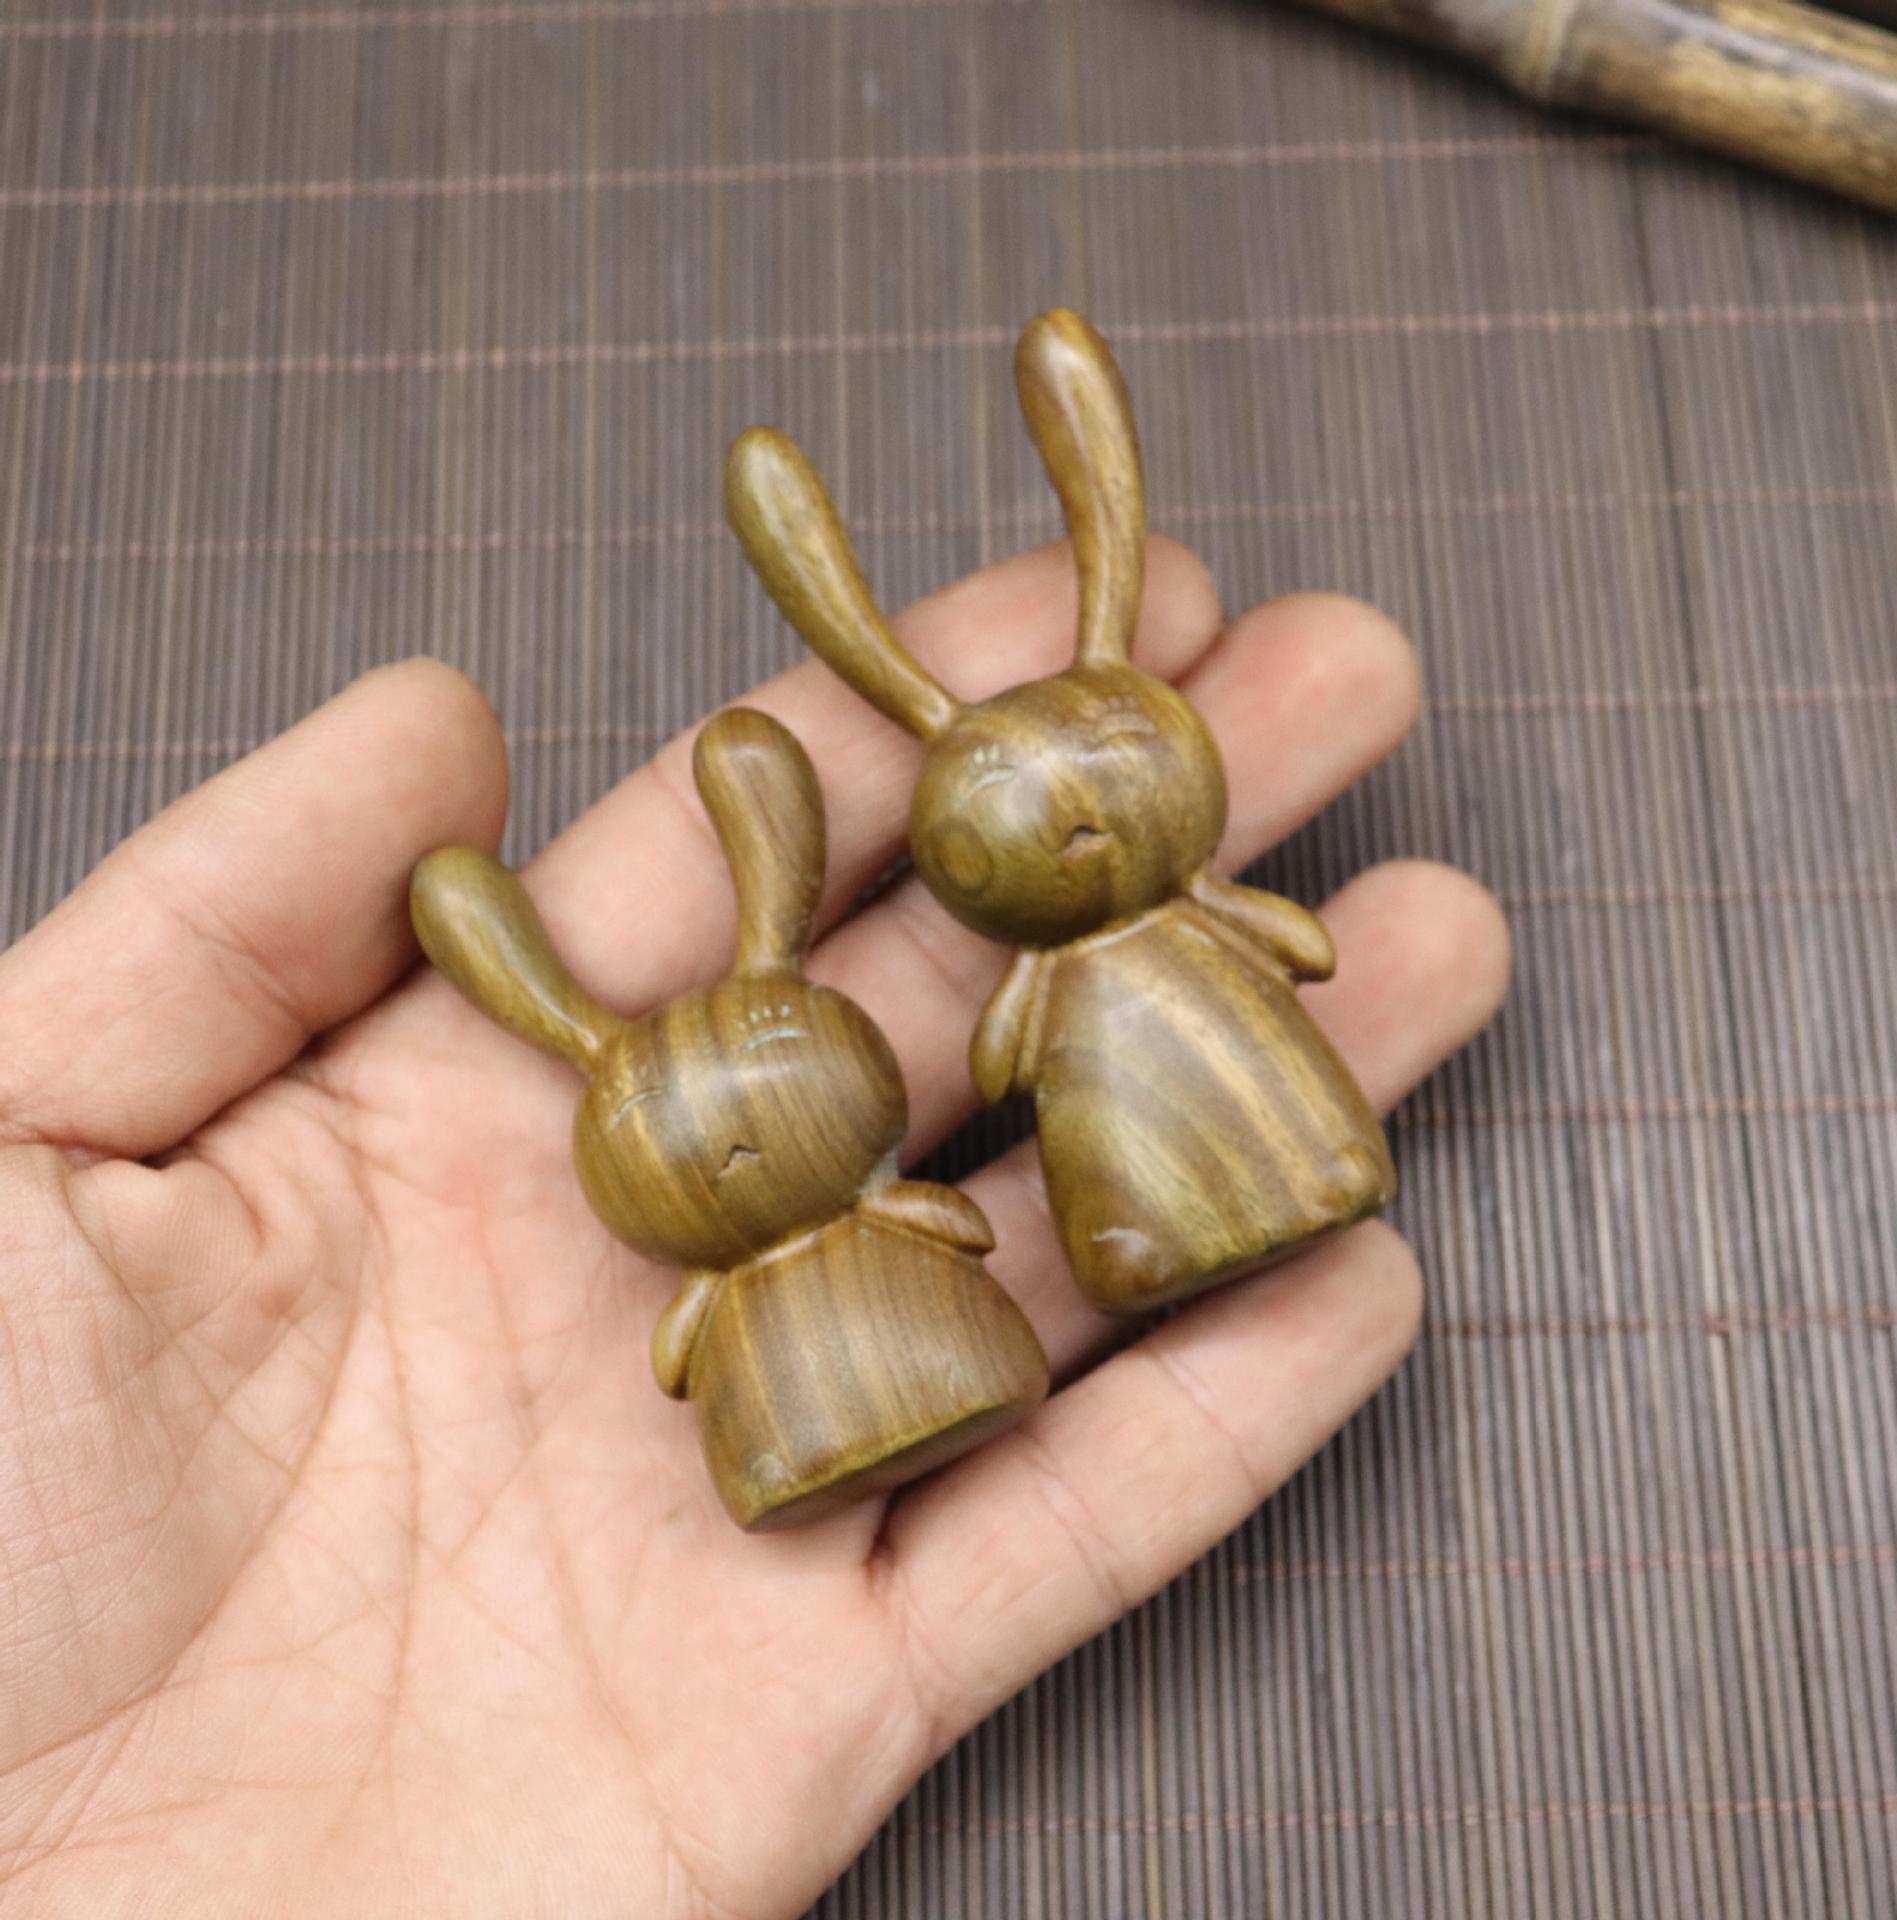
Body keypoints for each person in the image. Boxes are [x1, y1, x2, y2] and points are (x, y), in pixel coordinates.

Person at [0, 539, 1510, 1917]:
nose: (731, 1139)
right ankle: (1147, 1237)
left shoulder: (1042, 988)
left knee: (1157, 1204)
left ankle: (1196, 1212)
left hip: (1096, 1191)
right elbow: (946, 1115)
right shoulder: (766, 1234)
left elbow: (1003, 1063)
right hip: (812, 1403)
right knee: (1058, 1263)